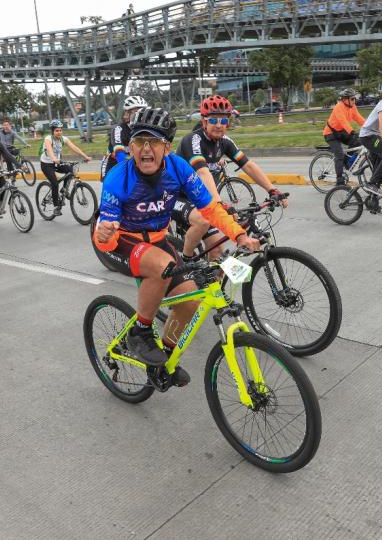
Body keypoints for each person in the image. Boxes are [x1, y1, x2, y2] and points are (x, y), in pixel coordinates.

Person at [94, 107, 259, 377]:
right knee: (163, 266)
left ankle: (163, 362)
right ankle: (141, 331)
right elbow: (107, 228)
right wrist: (105, 233)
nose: (146, 149)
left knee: (189, 301)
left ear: (167, 147)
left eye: (154, 142)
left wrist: (239, 235)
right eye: (139, 141)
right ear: (131, 147)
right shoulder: (118, 177)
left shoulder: (178, 168)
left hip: (157, 239)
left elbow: (210, 209)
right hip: (121, 241)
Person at [173, 95, 286, 261]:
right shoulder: (192, 140)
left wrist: (272, 189)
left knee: (217, 250)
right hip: (177, 196)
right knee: (204, 221)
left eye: (224, 121)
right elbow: (203, 172)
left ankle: (214, 286)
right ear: (204, 121)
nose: (219, 125)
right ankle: (186, 262)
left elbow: (248, 165)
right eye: (213, 120)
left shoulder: (224, 141)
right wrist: (219, 204)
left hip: (200, 199)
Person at [40, 120, 91, 216]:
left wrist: (85, 156)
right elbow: (50, 150)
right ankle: (56, 207)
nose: (59, 132)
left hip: (57, 162)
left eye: (60, 130)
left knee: (70, 170)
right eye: (56, 131)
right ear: (52, 131)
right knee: (54, 183)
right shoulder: (48, 139)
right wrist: (54, 158)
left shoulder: (63, 139)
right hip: (46, 164)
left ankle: (64, 189)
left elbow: (74, 148)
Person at [323, 88, 366, 186]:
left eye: (355, 98)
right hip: (330, 134)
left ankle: (346, 161)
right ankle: (339, 181)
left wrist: (370, 127)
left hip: (341, 132)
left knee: (358, 142)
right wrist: (351, 132)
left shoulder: (352, 107)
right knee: (339, 155)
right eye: (352, 99)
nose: (354, 101)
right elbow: (343, 121)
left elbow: (359, 118)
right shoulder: (339, 107)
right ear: (344, 99)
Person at [100, 95, 148, 181]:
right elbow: (119, 155)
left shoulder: (144, 130)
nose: (141, 115)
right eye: (137, 112)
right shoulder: (118, 129)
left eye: (143, 112)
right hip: (112, 165)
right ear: (127, 114)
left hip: (132, 163)